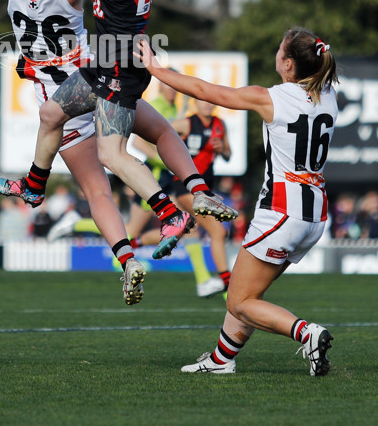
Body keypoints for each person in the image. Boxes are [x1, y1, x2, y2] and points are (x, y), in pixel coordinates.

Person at [0, 0, 237, 304]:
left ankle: (167, 216)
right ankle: (194, 188)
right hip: (96, 69)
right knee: (145, 128)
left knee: (106, 167)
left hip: (109, 69)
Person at [136, 27, 339, 376]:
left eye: (280, 50)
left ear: (288, 64)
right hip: (314, 215)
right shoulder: (329, 94)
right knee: (248, 295)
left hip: (281, 212)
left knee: (239, 301)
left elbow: (206, 92)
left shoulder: (273, 97)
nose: (276, 54)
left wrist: (156, 70)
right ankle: (221, 360)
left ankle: (307, 333)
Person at [129, 89, 233, 299]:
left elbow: (228, 155)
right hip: (186, 189)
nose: (207, 105)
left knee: (184, 231)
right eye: (202, 101)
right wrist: (161, 158)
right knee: (219, 233)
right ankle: (227, 286)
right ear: (195, 103)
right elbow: (155, 136)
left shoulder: (220, 125)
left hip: (206, 189)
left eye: (209, 101)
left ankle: (132, 244)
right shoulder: (186, 124)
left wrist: (222, 149)